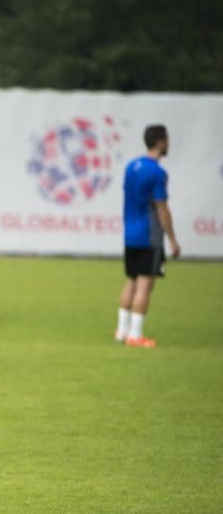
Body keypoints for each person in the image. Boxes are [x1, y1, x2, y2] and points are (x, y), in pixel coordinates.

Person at [115, 124, 180, 348]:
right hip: (149, 235)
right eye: (167, 139)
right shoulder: (157, 172)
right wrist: (172, 238)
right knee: (145, 284)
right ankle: (136, 334)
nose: (169, 143)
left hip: (130, 233)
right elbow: (161, 207)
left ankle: (122, 331)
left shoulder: (131, 166)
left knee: (131, 280)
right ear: (160, 142)